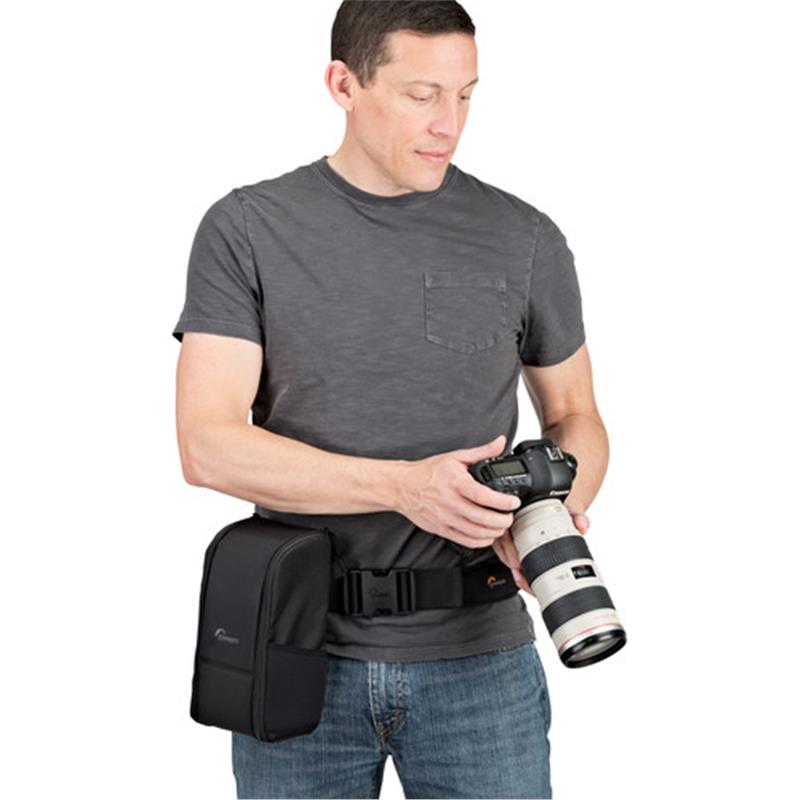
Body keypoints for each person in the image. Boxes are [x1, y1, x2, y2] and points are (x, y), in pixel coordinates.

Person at [172, 2, 609, 797]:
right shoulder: (247, 229)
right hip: (299, 651)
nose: (450, 123)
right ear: (343, 84)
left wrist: (549, 511)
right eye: (421, 95)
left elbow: (575, 414)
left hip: (482, 663)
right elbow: (207, 446)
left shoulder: (524, 236)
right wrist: (405, 488)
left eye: (465, 94)